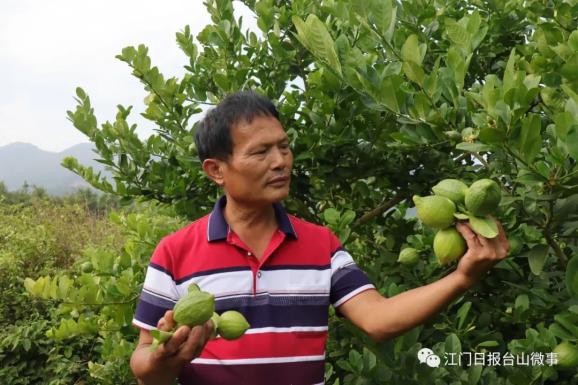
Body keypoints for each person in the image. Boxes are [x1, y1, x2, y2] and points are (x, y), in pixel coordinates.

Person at [129, 91, 509, 385]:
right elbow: (145, 366)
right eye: (261, 152)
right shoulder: (177, 250)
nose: (281, 161)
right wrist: (169, 358)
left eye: (283, 146)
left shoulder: (320, 245)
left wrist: (463, 277)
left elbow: (378, 319)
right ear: (216, 170)